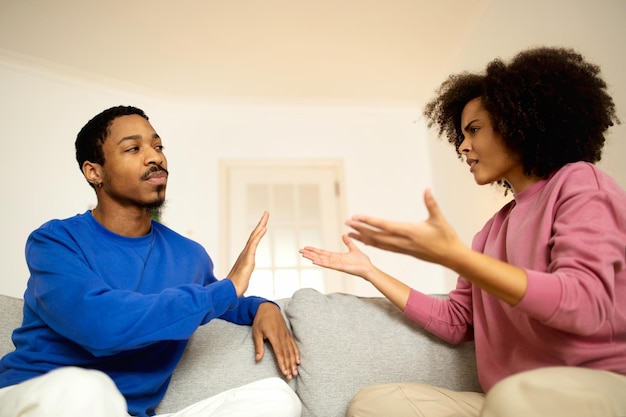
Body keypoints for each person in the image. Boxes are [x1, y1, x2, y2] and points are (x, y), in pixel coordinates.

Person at [300, 46, 626, 417]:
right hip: (506, 401)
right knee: (373, 404)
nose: (462, 146)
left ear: (519, 122)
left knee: (515, 398)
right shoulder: (489, 233)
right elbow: (456, 322)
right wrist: (370, 271)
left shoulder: (580, 183)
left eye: (474, 130)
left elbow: (583, 305)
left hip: (598, 387)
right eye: (461, 135)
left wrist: (456, 256)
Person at [0, 106, 301, 417]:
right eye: (133, 148)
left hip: (125, 413)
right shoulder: (55, 241)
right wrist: (227, 290)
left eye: (157, 147)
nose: (154, 157)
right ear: (94, 172)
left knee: (276, 399)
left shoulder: (188, 255)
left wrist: (263, 306)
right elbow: (103, 327)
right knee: (85, 389)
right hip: (40, 398)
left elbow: (222, 299)